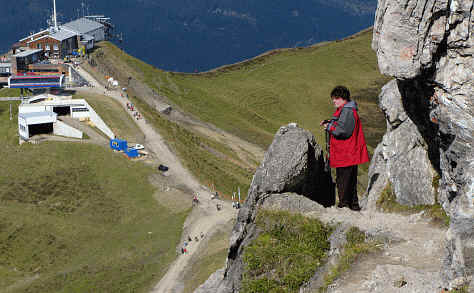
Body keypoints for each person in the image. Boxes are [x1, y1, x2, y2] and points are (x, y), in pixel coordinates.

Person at [320, 86, 369, 211]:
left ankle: (344, 206)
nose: (334, 101)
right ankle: (354, 206)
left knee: (343, 180)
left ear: (343, 98)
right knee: (350, 180)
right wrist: (330, 122)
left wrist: (329, 126)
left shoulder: (346, 111)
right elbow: (343, 124)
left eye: (336, 98)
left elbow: (343, 131)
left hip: (346, 153)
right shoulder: (347, 110)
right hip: (349, 152)